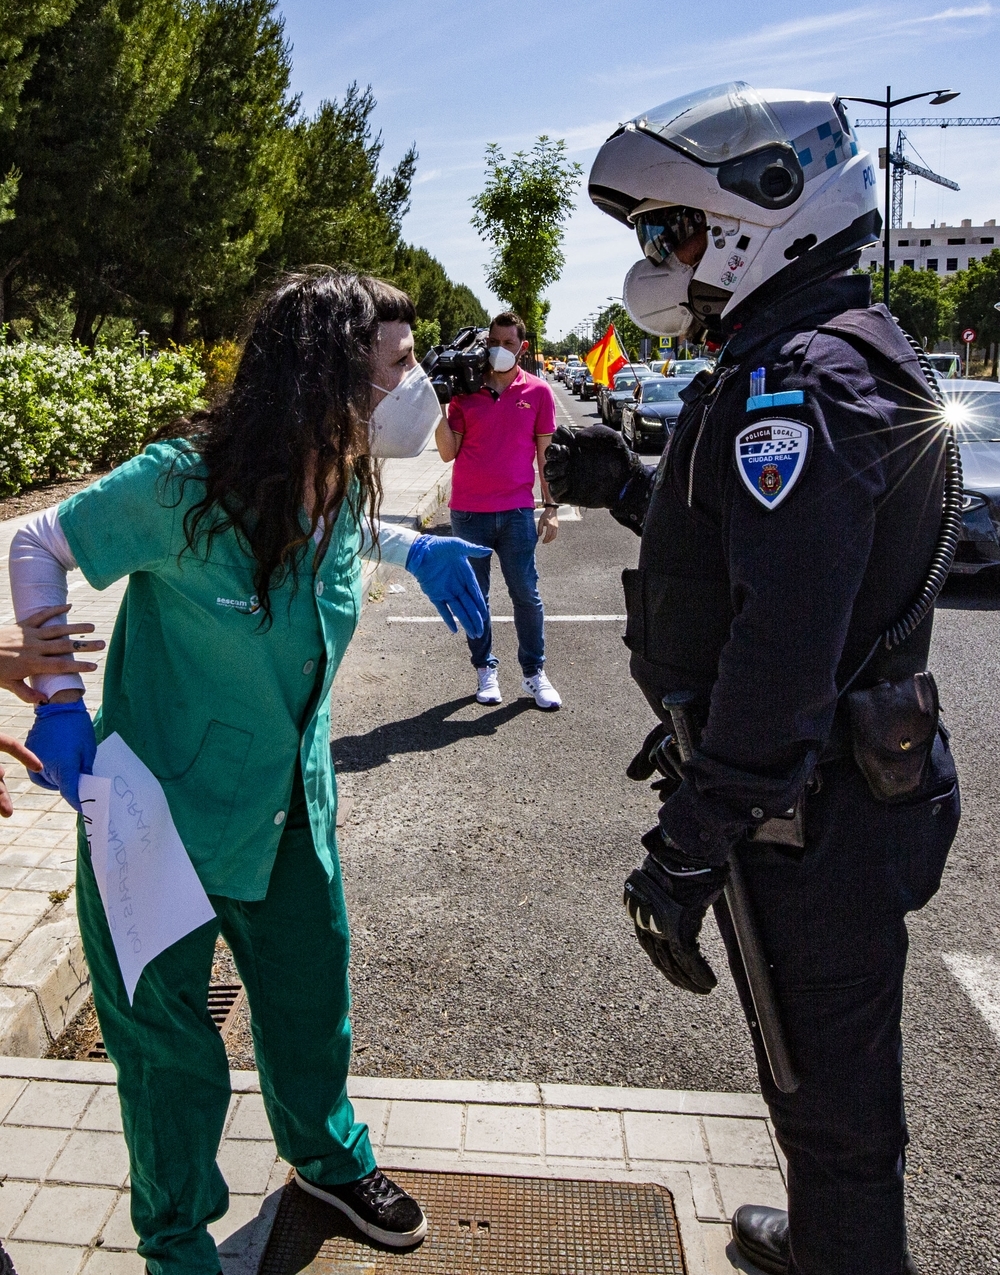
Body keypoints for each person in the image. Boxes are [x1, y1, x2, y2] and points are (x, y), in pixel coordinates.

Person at [546, 84, 958, 1275]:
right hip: (818, 788)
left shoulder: (801, 380)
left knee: (825, 1082)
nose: (656, 261)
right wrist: (630, 480)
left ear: (760, 212)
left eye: (668, 231)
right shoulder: (806, 348)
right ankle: (834, 1238)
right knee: (814, 1067)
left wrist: (687, 841)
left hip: (811, 802)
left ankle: (846, 1252)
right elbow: (766, 553)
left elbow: (785, 646)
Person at [8, 271, 492, 1274]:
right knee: (170, 1053)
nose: (416, 382)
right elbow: (36, 544)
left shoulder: (322, 471)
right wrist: (58, 698)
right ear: (327, 376)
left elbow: (327, 531)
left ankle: (324, 1155)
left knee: (313, 1003)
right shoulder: (182, 481)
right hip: (156, 820)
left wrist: (409, 546)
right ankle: (176, 1239)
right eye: (397, 364)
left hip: (287, 814)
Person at [434, 311, 562, 709]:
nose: (500, 349)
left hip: (518, 512)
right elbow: (446, 453)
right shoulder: (464, 394)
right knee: (477, 597)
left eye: (509, 343)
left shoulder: (538, 392)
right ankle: (485, 670)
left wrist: (551, 507)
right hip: (469, 514)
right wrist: (440, 405)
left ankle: (534, 673)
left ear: (522, 348)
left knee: (526, 594)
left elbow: (547, 459)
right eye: (495, 342)